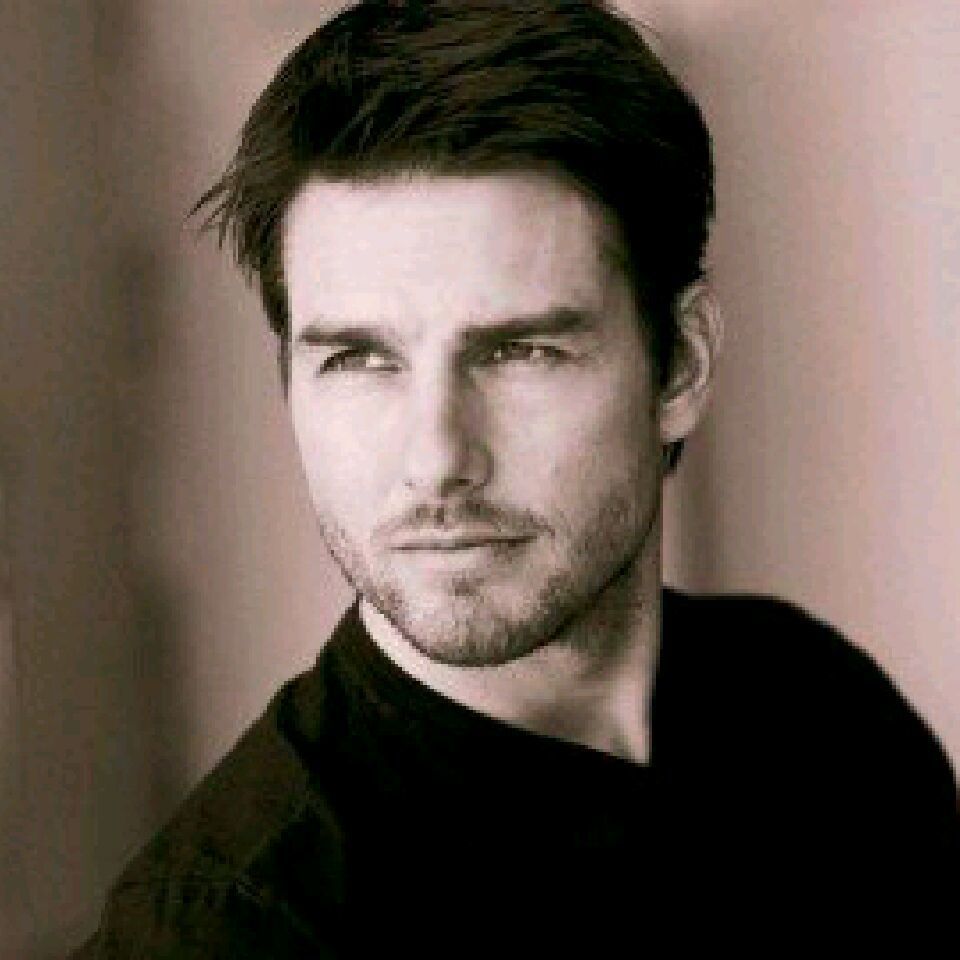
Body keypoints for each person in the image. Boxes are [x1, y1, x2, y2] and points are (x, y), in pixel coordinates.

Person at [72, 1, 957, 955]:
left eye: (518, 351)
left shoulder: (820, 711)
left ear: (681, 365)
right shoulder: (230, 928)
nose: (436, 460)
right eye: (360, 360)